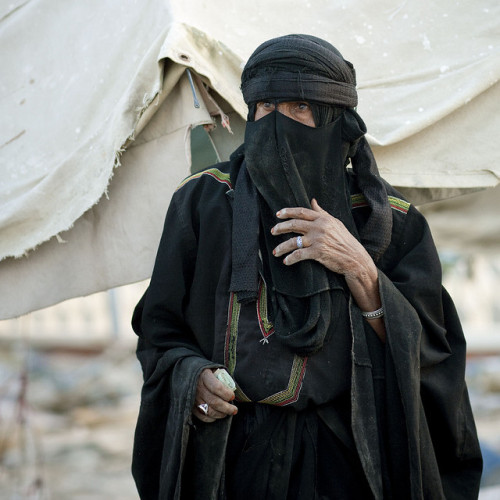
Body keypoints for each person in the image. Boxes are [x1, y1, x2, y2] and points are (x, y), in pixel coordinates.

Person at [131, 34, 482, 499]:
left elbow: (433, 357)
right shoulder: (204, 201)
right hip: (234, 460)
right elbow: (159, 330)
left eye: (299, 107)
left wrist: (360, 267)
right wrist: (191, 378)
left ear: (335, 119)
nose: (278, 123)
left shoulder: (392, 223)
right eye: (265, 107)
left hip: (354, 459)